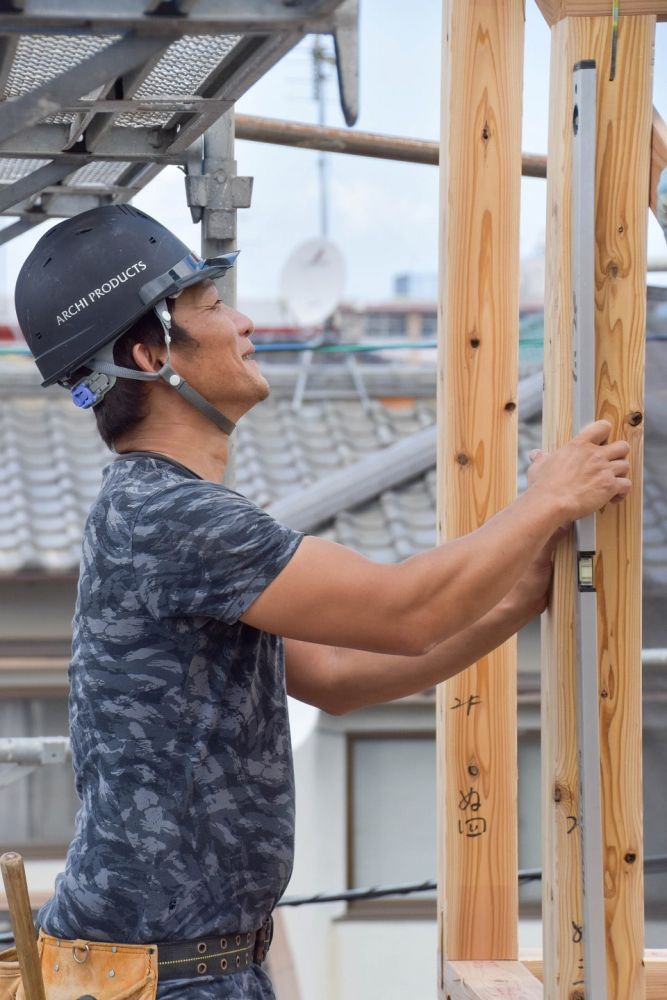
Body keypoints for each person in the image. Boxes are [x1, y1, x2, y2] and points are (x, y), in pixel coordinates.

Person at [13, 205, 631, 1000]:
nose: (242, 322)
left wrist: (519, 596)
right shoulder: (170, 516)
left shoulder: (163, 512)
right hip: (163, 975)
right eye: (210, 307)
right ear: (149, 353)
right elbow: (403, 611)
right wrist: (546, 500)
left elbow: (338, 672)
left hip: (186, 966)